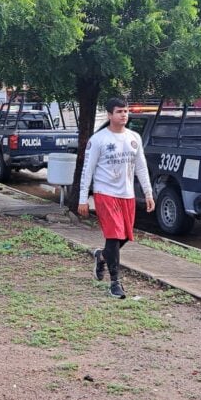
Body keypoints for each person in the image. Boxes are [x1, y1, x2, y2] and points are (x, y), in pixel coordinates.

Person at [77, 98, 154, 299]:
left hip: (127, 195)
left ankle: (101, 256)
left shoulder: (133, 137)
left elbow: (141, 167)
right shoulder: (99, 139)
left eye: (126, 111)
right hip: (105, 194)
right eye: (119, 111)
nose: (123, 115)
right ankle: (115, 283)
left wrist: (148, 193)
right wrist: (83, 198)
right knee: (113, 236)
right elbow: (87, 170)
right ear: (110, 115)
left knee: (125, 236)